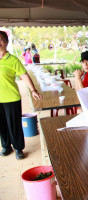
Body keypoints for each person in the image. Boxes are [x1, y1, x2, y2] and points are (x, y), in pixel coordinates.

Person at [0, 31, 42, 160]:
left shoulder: (12, 60)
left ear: (6, 42)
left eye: (1, 39)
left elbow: (24, 75)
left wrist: (33, 90)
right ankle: (6, 146)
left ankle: (18, 148)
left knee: (14, 124)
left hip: (11, 97)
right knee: (1, 124)